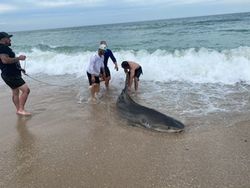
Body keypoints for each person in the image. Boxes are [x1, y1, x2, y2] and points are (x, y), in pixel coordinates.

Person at [0, 32, 31, 116]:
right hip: (11, 75)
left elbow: (8, 61)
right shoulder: (2, 48)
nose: (10, 40)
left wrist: (20, 69)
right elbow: (5, 60)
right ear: (3, 39)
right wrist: (19, 58)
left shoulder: (4, 48)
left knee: (15, 92)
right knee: (26, 90)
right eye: (8, 38)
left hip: (8, 74)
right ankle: (21, 109)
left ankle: (19, 110)